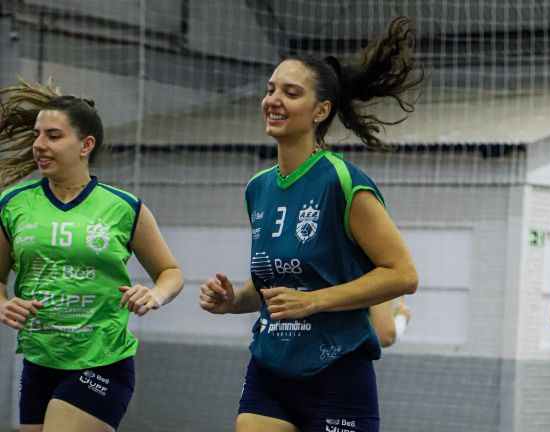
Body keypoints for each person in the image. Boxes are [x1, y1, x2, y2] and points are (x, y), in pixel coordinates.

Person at [199, 16, 421, 432]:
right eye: (270, 90)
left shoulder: (342, 181)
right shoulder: (258, 188)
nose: (273, 99)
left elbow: (404, 274)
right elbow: (273, 290)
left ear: (321, 110)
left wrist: (315, 301)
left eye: (290, 92)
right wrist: (232, 301)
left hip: (336, 372)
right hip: (270, 368)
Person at [0, 79, 184, 432]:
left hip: (102, 360)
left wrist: (155, 294)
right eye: (38, 134)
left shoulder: (123, 207)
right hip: (39, 360)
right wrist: (4, 303)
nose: (39, 144)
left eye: (53, 136)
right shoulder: (13, 205)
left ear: (86, 145)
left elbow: (171, 272)